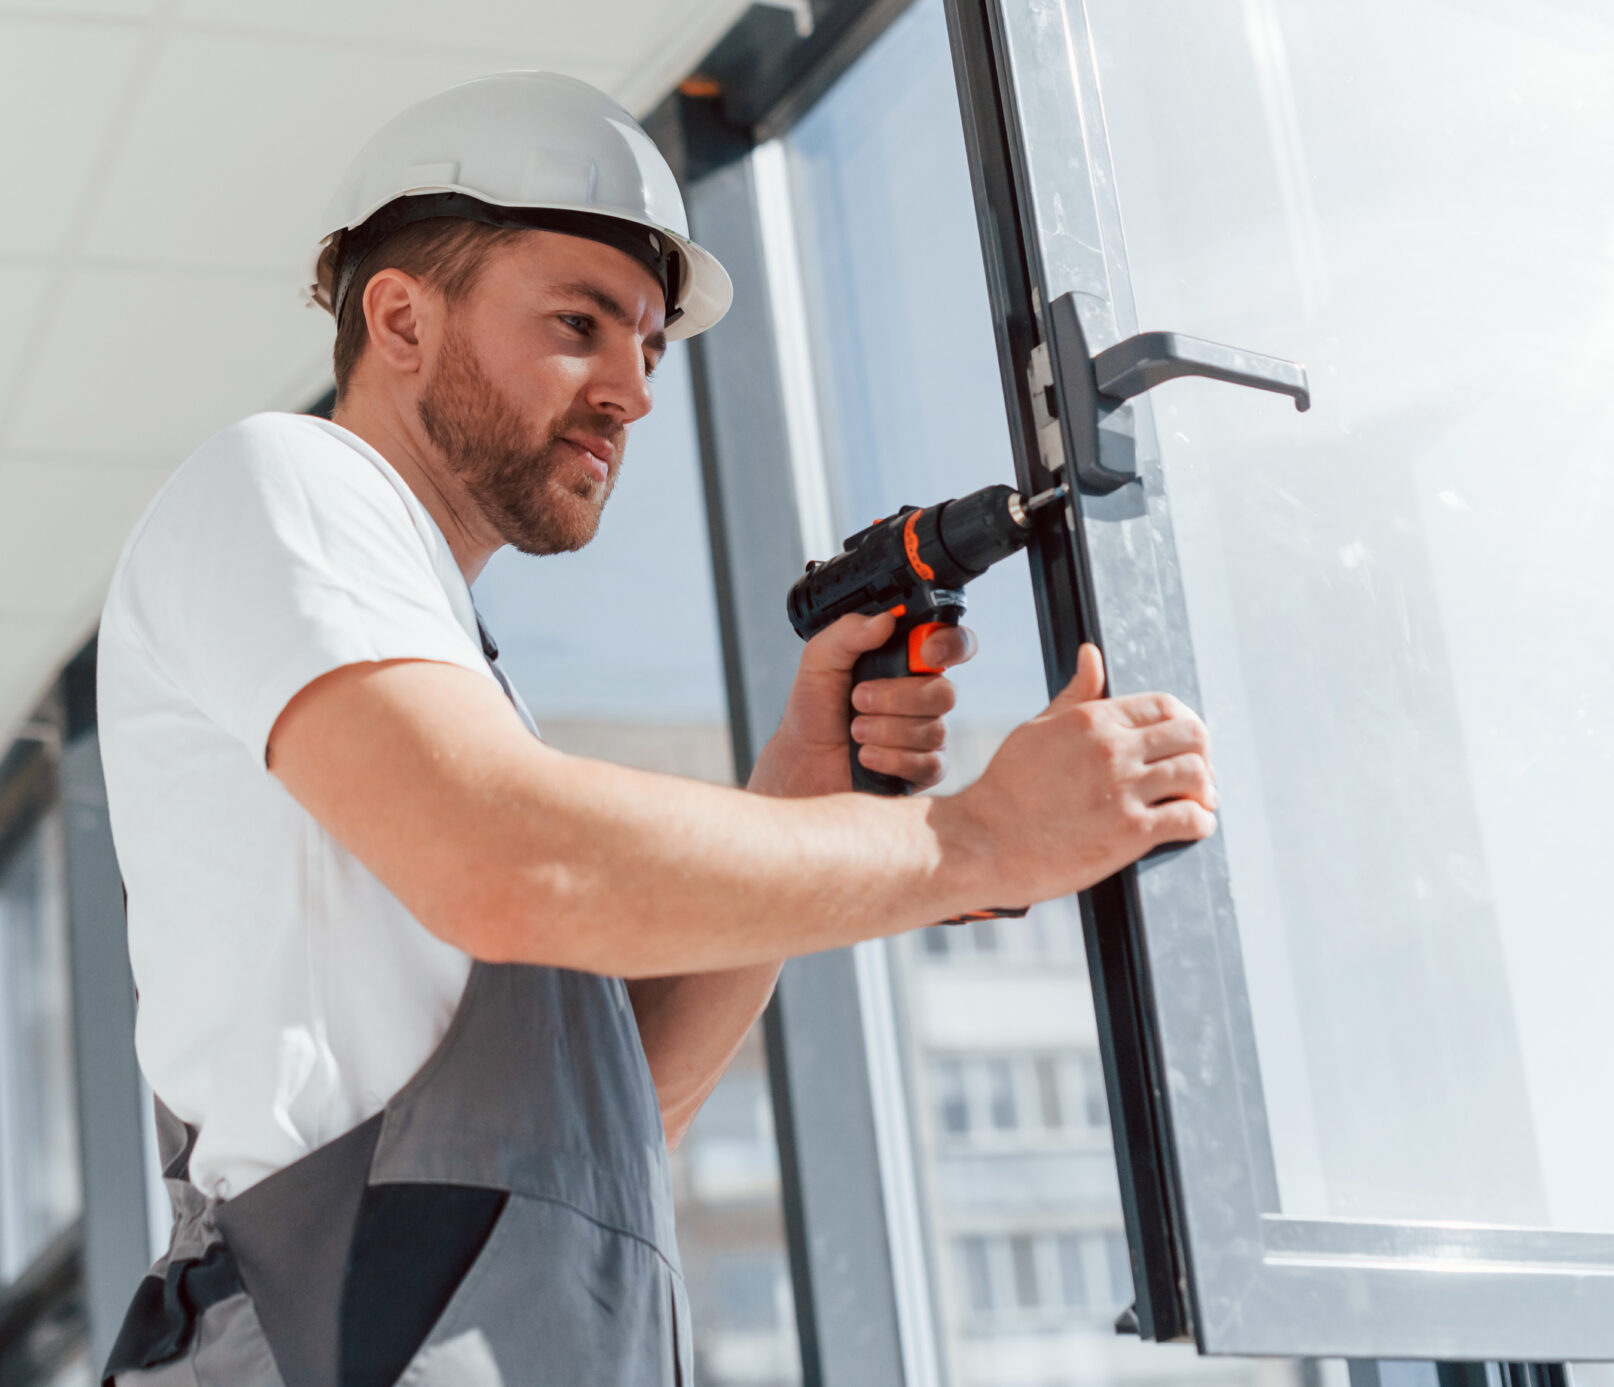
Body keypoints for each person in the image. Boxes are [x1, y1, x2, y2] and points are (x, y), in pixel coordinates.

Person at [94, 72, 1219, 1387]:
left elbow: (614, 1139)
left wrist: (808, 785)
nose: (631, 390)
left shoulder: (452, 666)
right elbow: (510, 864)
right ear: (399, 318)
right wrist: (980, 841)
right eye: (581, 324)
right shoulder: (284, 484)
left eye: (649, 347)